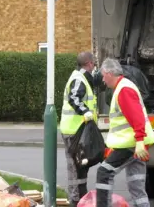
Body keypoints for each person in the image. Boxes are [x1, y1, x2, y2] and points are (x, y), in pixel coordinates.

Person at [96, 58, 154, 207]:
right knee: (136, 185)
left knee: (104, 173)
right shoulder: (125, 87)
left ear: (109, 74)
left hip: (131, 144)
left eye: (104, 76)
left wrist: (139, 141)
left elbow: (136, 118)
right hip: (136, 145)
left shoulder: (123, 90)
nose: (103, 80)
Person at [60, 51, 102, 207]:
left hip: (76, 130)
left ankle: (80, 198)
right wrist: (86, 112)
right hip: (74, 131)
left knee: (80, 166)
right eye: (94, 64)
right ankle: (76, 200)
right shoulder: (79, 79)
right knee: (76, 167)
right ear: (89, 63)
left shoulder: (82, 77)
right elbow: (74, 98)